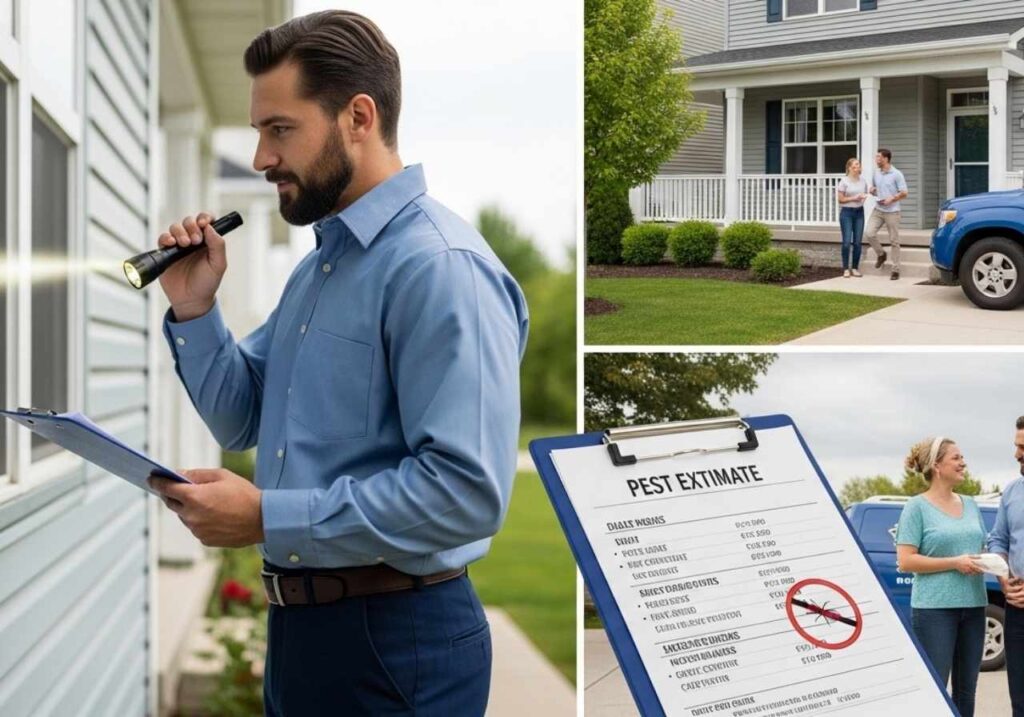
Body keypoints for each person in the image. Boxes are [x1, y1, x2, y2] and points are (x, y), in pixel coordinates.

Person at [146, 10, 529, 716]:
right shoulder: (320, 269)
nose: (261, 157)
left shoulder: (440, 268)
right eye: (260, 131)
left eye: (279, 129)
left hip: (395, 641)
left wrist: (267, 515)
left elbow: (465, 492)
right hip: (305, 633)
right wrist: (196, 310)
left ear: (358, 116)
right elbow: (243, 415)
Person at [896, 437, 987, 717]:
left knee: (966, 690)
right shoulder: (916, 507)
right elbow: (906, 560)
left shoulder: (971, 504)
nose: (963, 463)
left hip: (973, 607)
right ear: (937, 466)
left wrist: (986, 561)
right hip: (935, 611)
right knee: (936, 688)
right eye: (956, 458)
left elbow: (980, 546)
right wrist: (954, 563)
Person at [988, 416, 1024, 716]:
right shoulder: (1012, 492)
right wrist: (1003, 578)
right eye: (1016, 446)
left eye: (1022, 447)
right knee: (1020, 697)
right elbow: (998, 540)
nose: (1017, 454)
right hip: (1018, 608)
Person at [864, 148, 908, 280]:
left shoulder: (897, 174)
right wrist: (872, 190)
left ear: (886, 159)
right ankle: (881, 254)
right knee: (869, 233)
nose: (876, 160)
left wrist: (892, 198)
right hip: (878, 209)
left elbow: (904, 192)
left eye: (879, 157)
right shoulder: (876, 173)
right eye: (876, 157)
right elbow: (875, 188)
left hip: (892, 212)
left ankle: (895, 270)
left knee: (894, 241)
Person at [836, 158, 869, 278]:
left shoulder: (863, 181)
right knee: (846, 242)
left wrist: (862, 198)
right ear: (849, 167)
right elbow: (840, 199)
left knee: (857, 243)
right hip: (847, 213)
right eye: (855, 165)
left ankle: (855, 268)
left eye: (858, 165)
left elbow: (865, 194)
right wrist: (854, 198)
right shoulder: (844, 181)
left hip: (859, 213)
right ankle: (845, 269)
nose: (857, 167)